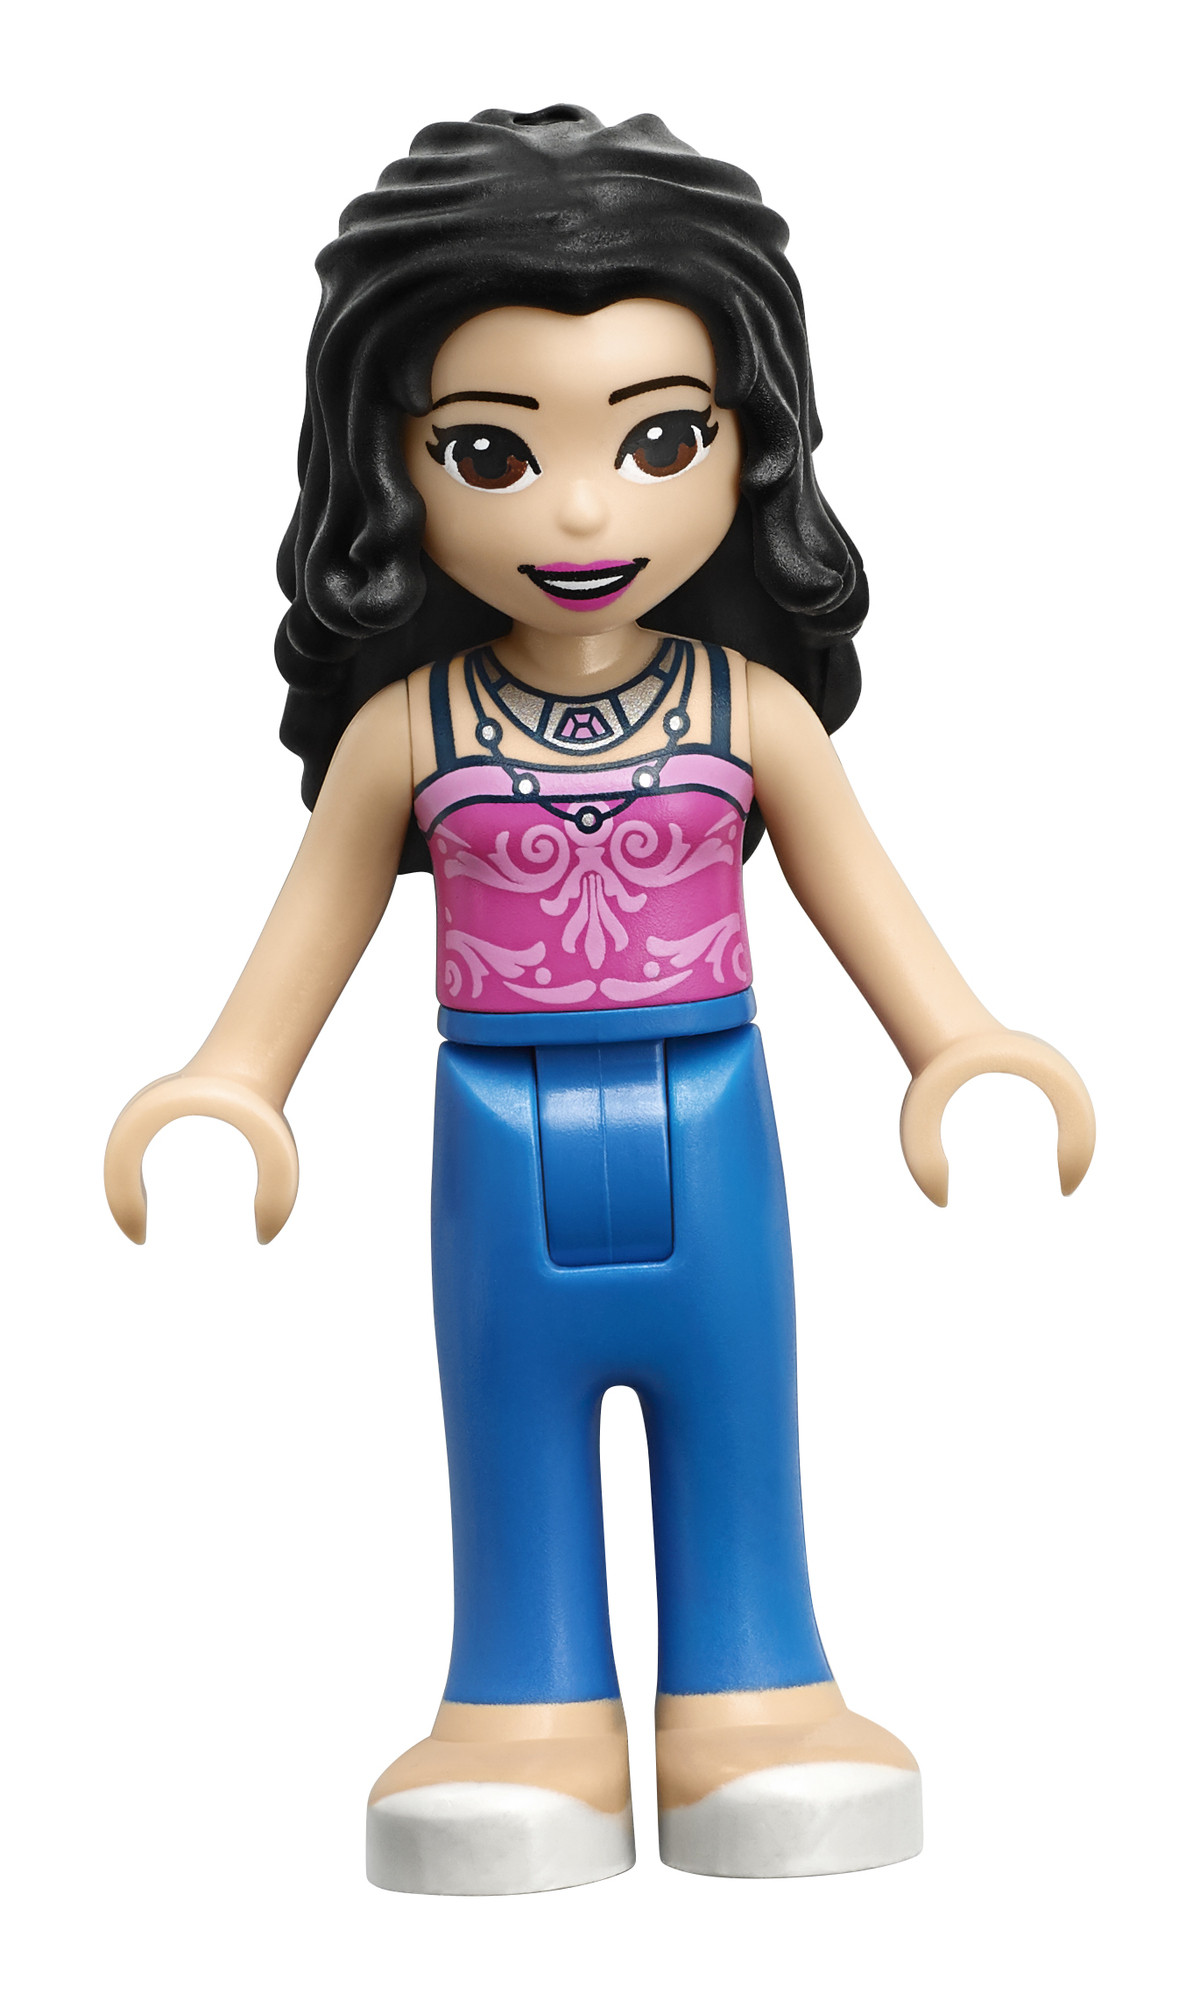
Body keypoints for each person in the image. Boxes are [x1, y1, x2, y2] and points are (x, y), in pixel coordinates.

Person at [105, 107, 1094, 1896]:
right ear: (390, 461)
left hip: (717, 1124)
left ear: (751, 446)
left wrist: (960, 1047)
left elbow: (869, 902)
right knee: (508, 1436)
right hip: (493, 1140)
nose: (581, 510)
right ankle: (522, 1717)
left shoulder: (748, 712)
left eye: (658, 441)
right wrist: (232, 1084)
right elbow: (307, 932)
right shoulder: (409, 732)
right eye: (493, 449)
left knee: (740, 1419)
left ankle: (757, 1698)